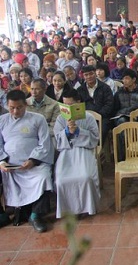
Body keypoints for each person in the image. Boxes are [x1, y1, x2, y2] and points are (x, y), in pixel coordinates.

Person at [0, 90, 54, 232]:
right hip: (9, 165)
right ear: (7, 106)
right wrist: (2, 162)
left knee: (44, 177)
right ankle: (2, 215)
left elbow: (45, 143)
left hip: (34, 164)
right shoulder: (2, 121)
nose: (16, 111)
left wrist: (32, 160)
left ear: (26, 105)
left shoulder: (38, 119)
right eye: (12, 108)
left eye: (19, 107)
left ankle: (35, 215)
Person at [53, 89, 100, 219]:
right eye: (65, 105)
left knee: (85, 177)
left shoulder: (89, 117)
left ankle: (87, 207)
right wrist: (67, 132)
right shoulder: (60, 119)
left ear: (78, 103)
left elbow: (95, 138)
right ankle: (68, 209)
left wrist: (78, 131)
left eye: (71, 105)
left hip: (84, 151)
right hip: (66, 153)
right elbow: (57, 139)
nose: (68, 108)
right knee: (61, 181)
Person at [77, 65, 115, 138]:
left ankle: (98, 148)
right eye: (86, 75)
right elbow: (78, 105)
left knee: (101, 131)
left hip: (102, 117)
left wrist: (98, 115)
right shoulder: (80, 90)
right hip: (85, 117)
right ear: (83, 76)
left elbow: (109, 104)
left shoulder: (105, 88)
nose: (89, 77)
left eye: (91, 74)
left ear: (95, 73)